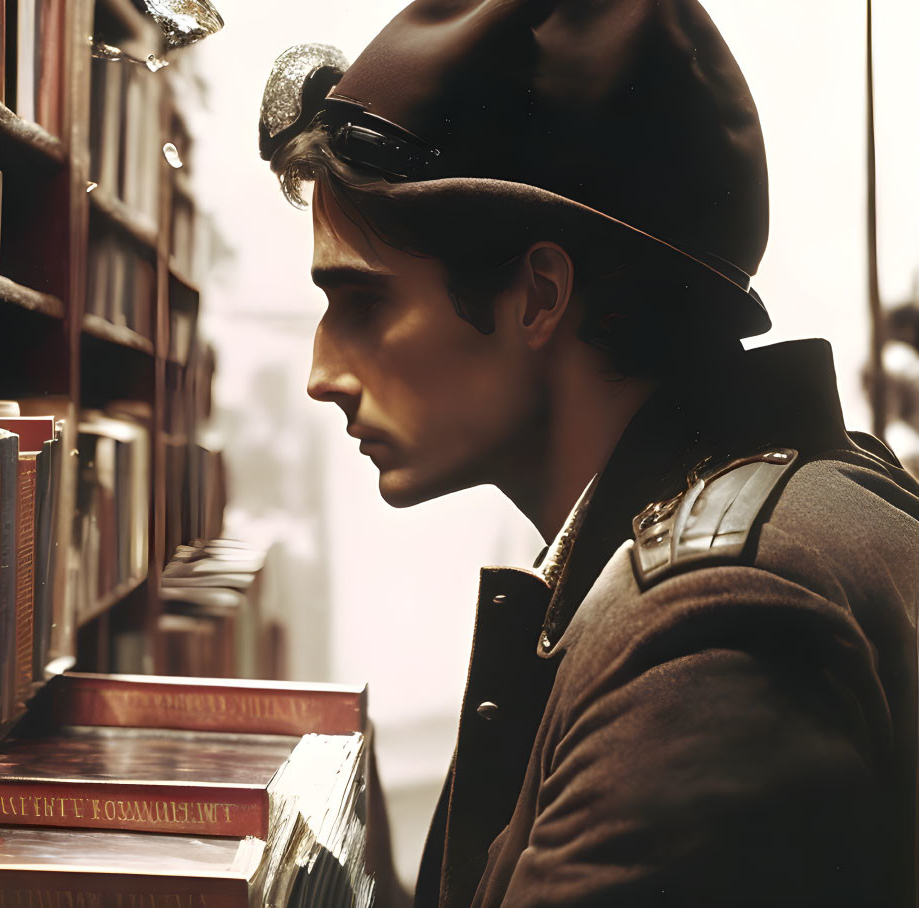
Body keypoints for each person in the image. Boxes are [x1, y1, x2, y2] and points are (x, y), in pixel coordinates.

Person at [258, 1, 919, 905]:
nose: (321, 374)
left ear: (535, 296)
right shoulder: (809, 506)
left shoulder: (710, 635)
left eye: (361, 303)